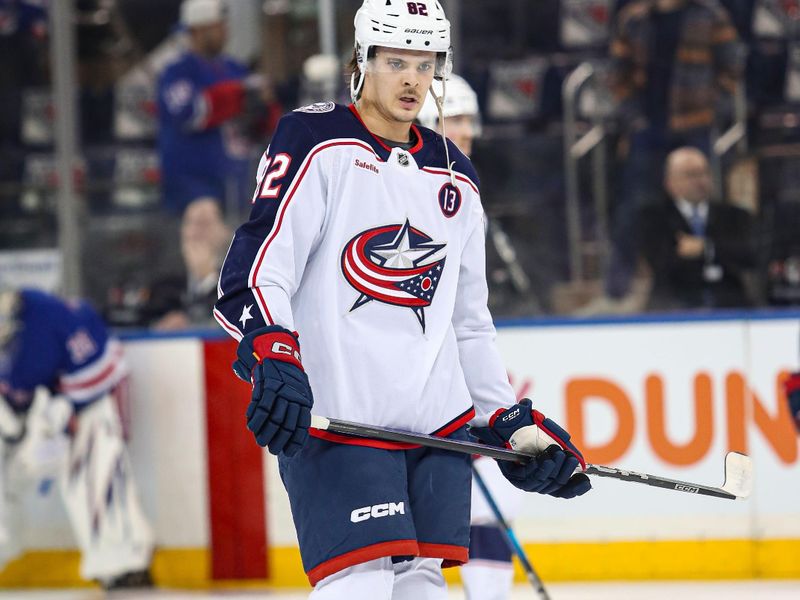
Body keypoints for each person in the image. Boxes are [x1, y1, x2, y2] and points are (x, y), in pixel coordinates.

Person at [213, 1, 591, 598]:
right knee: (358, 585)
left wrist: (508, 421)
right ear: (362, 61)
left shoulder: (456, 175)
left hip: (432, 430)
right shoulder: (316, 140)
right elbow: (260, 266)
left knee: (421, 587)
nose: (413, 78)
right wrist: (273, 352)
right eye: (395, 61)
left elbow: (468, 323)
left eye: (425, 62)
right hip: (339, 417)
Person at [418, 76, 526, 600]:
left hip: (474, 357)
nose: (463, 131)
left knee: (494, 507)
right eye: (452, 119)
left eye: (467, 120)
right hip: (424, 374)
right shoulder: (407, 188)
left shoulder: (471, 187)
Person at [0, 288, 153, 589]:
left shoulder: (46, 317)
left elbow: (100, 373)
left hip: (86, 406)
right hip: (42, 408)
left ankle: (124, 565)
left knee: (96, 473)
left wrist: (56, 416)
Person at [604, 0, 742, 303]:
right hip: (647, 129)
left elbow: (732, 69)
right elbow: (616, 76)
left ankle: (712, 281)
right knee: (634, 209)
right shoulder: (634, 19)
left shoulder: (711, 15)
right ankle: (618, 290)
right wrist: (634, 120)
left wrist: (712, 112)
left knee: (701, 206)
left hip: (695, 125)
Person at [157, 0, 280, 215]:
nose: (225, 31)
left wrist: (263, 106)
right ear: (196, 31)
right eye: (216, 26)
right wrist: (239, 95)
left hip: (238, 185)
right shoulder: (178, 72)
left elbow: (266, 121)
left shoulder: (234, 69)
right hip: (194, 190)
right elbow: (188, 113)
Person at [638, 147, 755, 310]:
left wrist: (706, 248)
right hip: (673, 306)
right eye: (690, 175)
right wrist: (721, 253)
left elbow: (750, 255)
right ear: (670, 182)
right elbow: (661, 263)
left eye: (704, 173)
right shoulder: (653, 218)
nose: (700, 180)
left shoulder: (734, 215)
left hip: (729, 304)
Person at [148, 196, 231, 329]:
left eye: (205, 223)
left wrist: (207, 277)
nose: (197, 232)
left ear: (225, 232)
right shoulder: (164, 286)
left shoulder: (240, 280)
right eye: (191, 223)